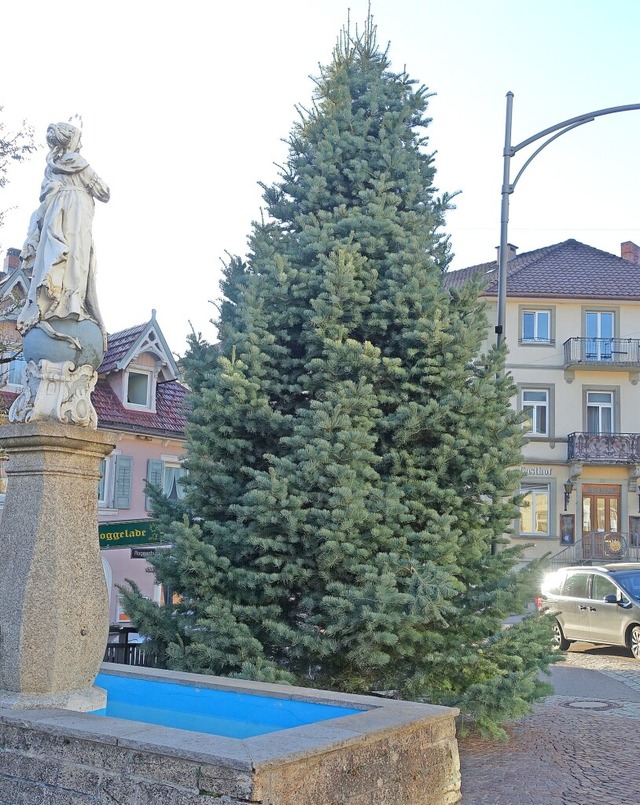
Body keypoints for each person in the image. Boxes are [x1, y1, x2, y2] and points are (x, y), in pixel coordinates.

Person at [17, 122, 110, 348]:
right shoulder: (78, 162)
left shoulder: (52, 166)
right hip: (77, 215)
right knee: (76, 260)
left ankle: (54, 303)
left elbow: (43, 195)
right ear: (72, 140)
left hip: (54, 216)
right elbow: (104, 192)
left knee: (56, 259)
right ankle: (73, 305)